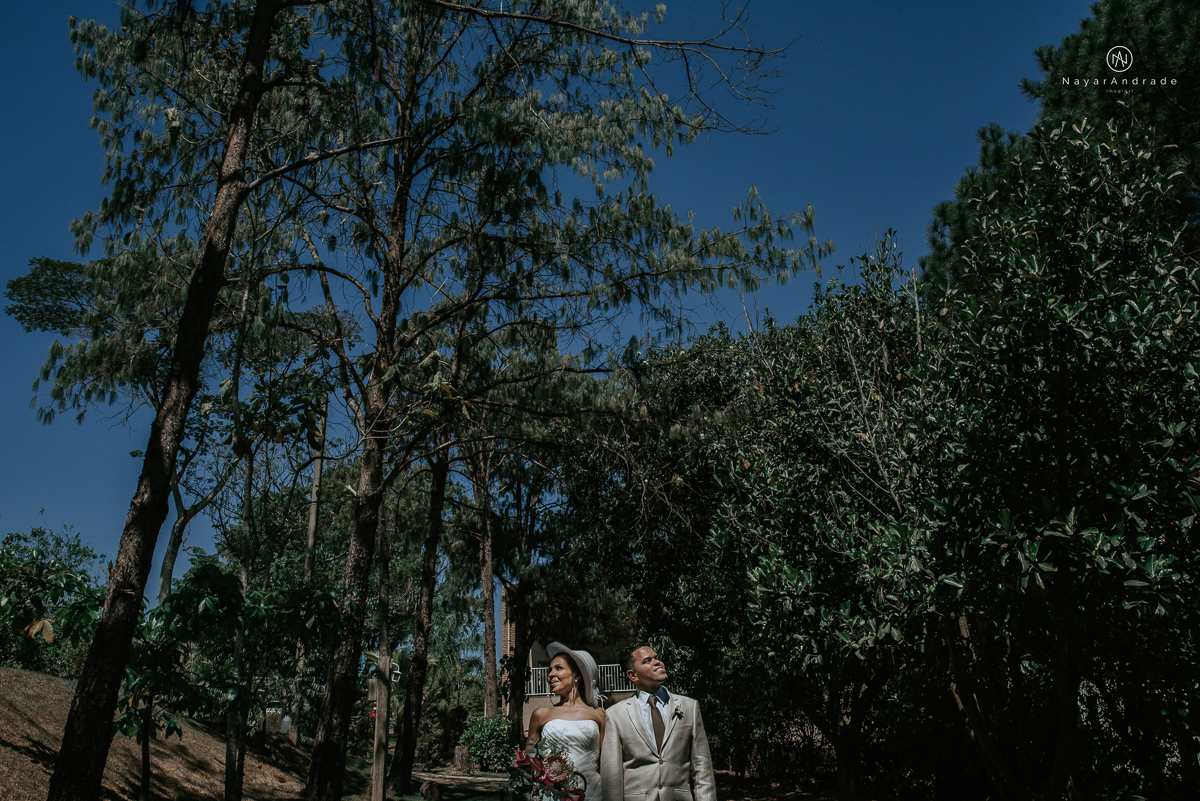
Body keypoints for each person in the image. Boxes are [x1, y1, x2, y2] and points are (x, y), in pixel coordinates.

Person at [600, 643, 716, 801]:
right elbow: (612, 777)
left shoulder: (689, 707)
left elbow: (702, 768)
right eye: (647, 660)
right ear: (633, 675)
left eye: (657, 658)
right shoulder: (615, 715)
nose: (657, 662)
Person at [526, 642, 607, 801]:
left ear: (577, 675)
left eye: (558, 668)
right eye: (550, 670)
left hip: (592, 792)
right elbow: (530, 759)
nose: (550, 674)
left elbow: (606, 763)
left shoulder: (599, 715)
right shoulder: (540, 714)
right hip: (551, 794)